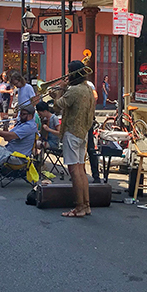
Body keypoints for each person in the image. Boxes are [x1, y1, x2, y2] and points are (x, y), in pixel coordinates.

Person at [51, 60, 96, 217]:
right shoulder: (88, 89)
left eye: (69, 72)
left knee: (74, 171)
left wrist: (60, 89)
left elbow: (57, 105)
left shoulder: (74, 90)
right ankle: (86, 205)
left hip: (71, 133)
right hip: (83, 132)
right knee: (81, 170)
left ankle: (78, 207)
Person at [86, 78, 102, 184]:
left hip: (87, 119)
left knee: (90, 149)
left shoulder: (88, 84)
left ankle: (96, 175)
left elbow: (95, 96)